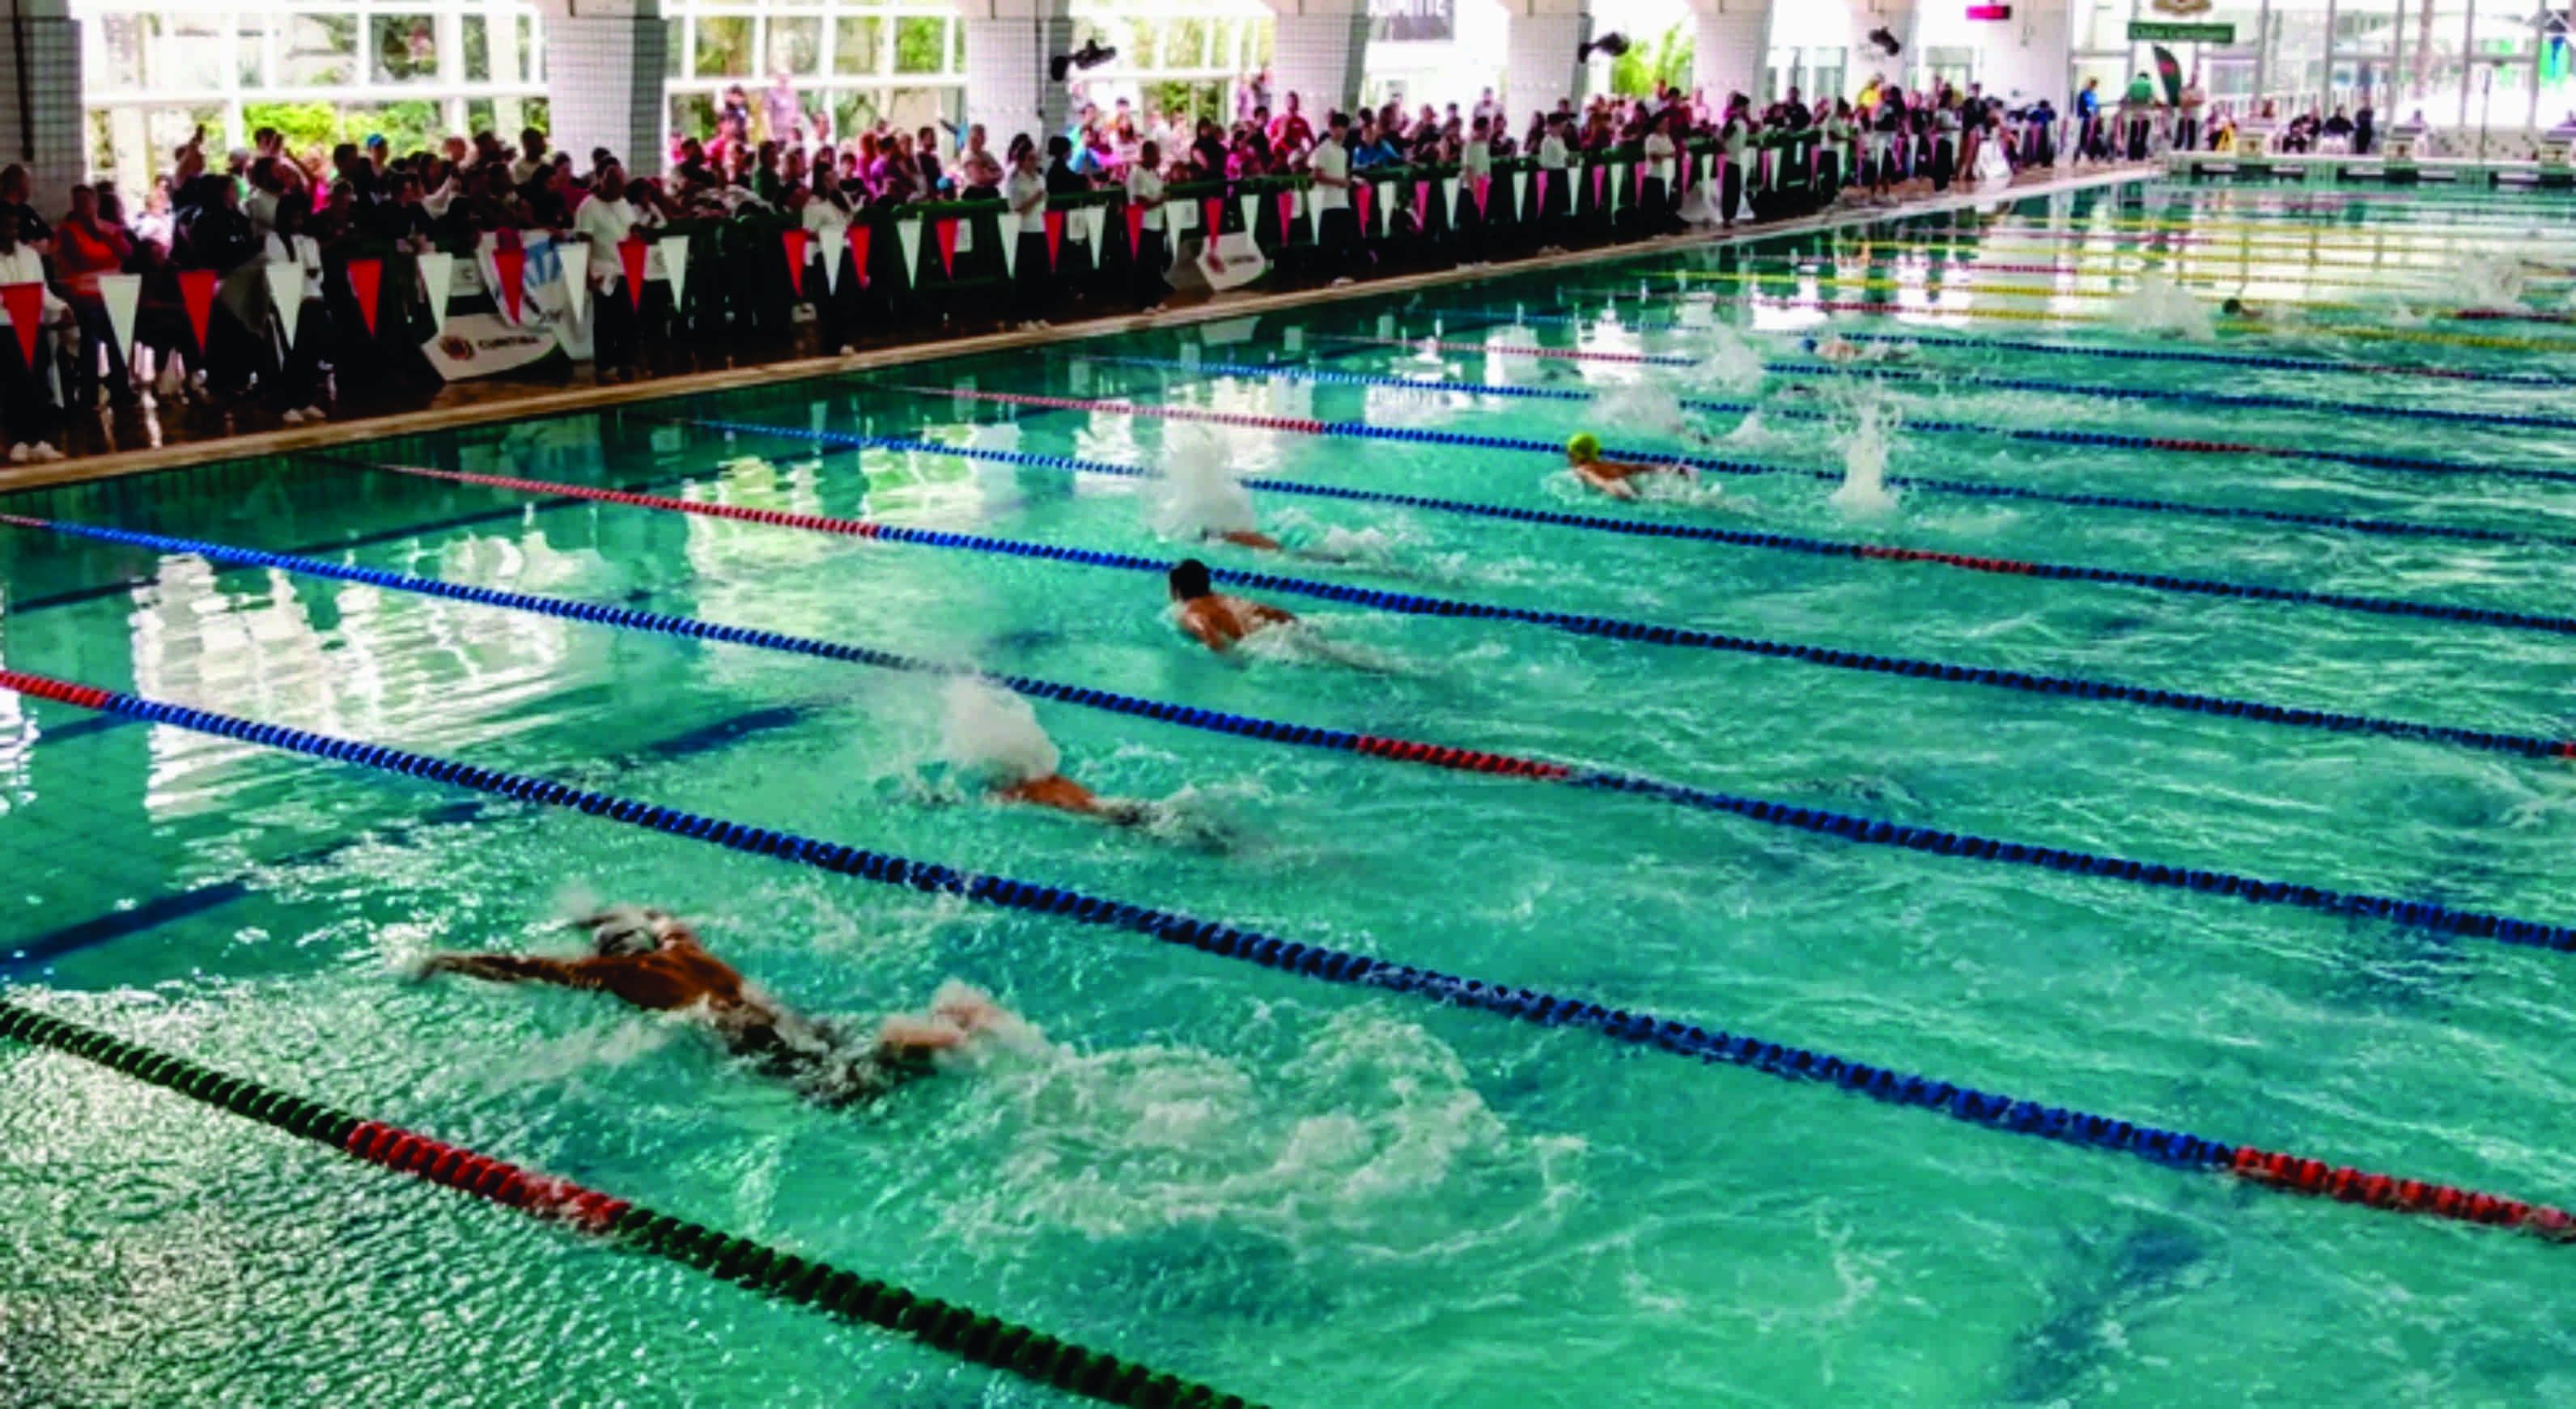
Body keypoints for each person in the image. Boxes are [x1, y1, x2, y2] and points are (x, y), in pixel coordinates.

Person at [414, 905, 1016, 1107]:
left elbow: (520, 967)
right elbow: (665, 916)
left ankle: (903, 1042)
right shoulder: (685, 949)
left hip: (742, 1034)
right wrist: (615, 911)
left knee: (845, 1095)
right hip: (780, 1012)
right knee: (835, 1054)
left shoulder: (618, 973)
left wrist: (445, 958)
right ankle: (945, 1021)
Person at [1169, 558, 1292, 653]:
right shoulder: (1227, 599)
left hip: (1260, 647)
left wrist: (1232, 661)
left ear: (1176, 590)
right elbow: (1276, 613)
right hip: (1279, 633)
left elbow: (1207, 633)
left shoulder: (1189, 611)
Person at [1564, 432, 1692, 500]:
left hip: (1621, 492)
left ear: (1577, 456)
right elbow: (1640, 467)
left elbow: (1600, 482)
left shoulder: (1582, 470)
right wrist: (1676, 469)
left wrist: (1615, 492)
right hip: (1632, 489)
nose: (1567, 457)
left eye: (1569, 453)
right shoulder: (1610, 464)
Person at [1125, 139, 1169, 312]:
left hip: (1156, 224)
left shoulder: (1153, 173)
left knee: (1155, 264)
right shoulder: (1137, 174)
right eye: (1157, 155)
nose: (1159, 159)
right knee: (1143, 265)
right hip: (1142, 225)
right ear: (1148, 155)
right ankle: (1143, 302)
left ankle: (1155, 299)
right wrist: (1160, 201)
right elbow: (1140, 201)